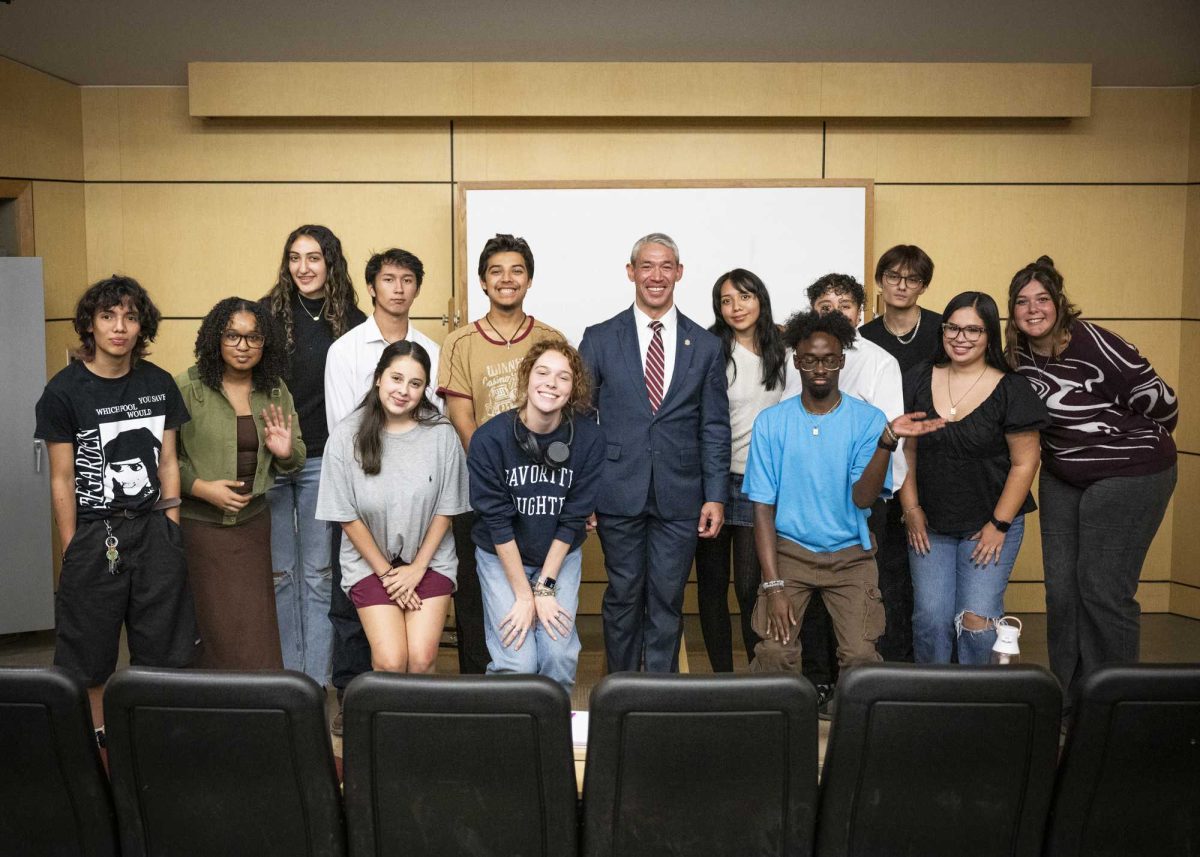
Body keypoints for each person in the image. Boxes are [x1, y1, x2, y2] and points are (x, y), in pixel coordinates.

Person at [1005, 256, 1177, 702]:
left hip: (1130, 470)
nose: (1033, 309)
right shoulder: (1016, 353)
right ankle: (1069, 698)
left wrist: (1118, 441)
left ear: (1060, 303)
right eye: (1022, 301)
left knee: (1102, 590)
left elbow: (1162, 404)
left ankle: (1113, 706)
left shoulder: (1095, 343)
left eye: (1042, 299)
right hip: (1064, 474)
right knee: (1062, 593)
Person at [34, 275, 197, 730]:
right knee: (88, 654)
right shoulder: (63, 392)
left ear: (142, 326)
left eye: (130, 316)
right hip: (94, 532)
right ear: (90, 324)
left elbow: (167, 461)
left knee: (165, 647)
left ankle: (153, 737)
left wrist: (171, 525)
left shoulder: (159, 382)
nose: (119, 326)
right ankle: (99, 739)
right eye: (108, 316)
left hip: (153, 530)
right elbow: (62, 477)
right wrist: (72, 546)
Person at [746, 311, 941, 677]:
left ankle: (852, 730)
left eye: (829, 360)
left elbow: (863, 499)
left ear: (841, 362)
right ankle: (781, 728)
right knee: (774, 654)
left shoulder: (868, 420)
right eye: (810, 360)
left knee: (861, 660)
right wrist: (773, 586)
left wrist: (887, 441)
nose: (820, 368)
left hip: (851, 556)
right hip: (791, 553)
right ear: (797, 362)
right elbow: (761, 510)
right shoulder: (771, 423)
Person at [579, 232, 731, 673]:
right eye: (647, 266)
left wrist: (716, 495)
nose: (656, 276)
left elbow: (714, 426)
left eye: (666, 266)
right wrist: (584, 493)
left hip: (681, 495)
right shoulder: (601, 337)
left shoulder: (705, 346)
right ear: (631, 272)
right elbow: (582, 423)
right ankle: (621, 689)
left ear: (679, 273)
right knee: (624, 595)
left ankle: (659, 698)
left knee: (667, 597)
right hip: (616, 492)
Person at [323, 247, 441, 730]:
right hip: (363, 496)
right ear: (371, 286)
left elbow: (429, 427)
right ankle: (356, 701)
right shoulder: (346, 349)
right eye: (388, 279)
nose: (397, 287)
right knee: (350, 612)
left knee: (417, 653)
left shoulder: (431, 349)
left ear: (416, 288)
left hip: (417, 506)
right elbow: (340, 428)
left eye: (407, 279)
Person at [437, 234, 565, 677]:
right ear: (482, 281)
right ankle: (479, 690)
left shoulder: (550, 338)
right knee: (475, 592)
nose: (506, 279)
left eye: (516, 270)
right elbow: (460, 413)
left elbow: (566, 413)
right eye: (496, 271)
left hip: (543, 492)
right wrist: (494, 472)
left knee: (535, 589)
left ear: (529, 279)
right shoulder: (460, 342)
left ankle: (532, 681)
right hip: (482, 489)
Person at [899, 292, 1048, 664]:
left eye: (973, 330)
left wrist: (999, 523)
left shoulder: (1012, 387)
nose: (960, 337)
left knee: (976, 621)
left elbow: (1025, 463)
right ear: (942, 329)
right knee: (931, 619)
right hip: (930, 522)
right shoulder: (917, 377)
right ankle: (930, 702)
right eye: (952, 327)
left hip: (989, 525)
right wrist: (911, 508)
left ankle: (976, 703)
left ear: (989, 335)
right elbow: (907, 449)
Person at [783, 273, 907, 711]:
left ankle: (851, 688)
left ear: (861, 313)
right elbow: (786, 418)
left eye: (845, 304)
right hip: (804, 497)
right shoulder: (793, 357)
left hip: (864, 498)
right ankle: (816, 680)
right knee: (809, 598)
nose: (835, 312)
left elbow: (891, 432)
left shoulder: (879, 362)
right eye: (825, 304)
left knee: (856, 596)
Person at [317, 341, 468, 674]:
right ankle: (386, 727)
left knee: (421, 658)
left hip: (430, 559)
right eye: (396, 379)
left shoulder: (441, 434)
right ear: (378, 379)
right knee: (391, 660)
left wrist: (416, 570)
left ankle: (414, 727)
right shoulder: (345, 436)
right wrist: (388, 576)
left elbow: (448, 507)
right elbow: (346, 516)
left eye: (415, 384)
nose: (403, 391)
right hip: (370, 563)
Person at [467, 340, 605, 691]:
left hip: (558, 554)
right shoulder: (488, 440)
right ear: (526, 378)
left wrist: (543, 588)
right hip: (502, 556)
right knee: (517, 661)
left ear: (573, 389)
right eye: (542, 372)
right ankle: (511, 739)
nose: (551, 383)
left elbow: (574, 519)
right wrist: (525, 596)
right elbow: (497, 523)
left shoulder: (589, 439)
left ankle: (551, 736)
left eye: (563, 377)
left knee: (558, 655)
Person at [176, 298, 305, 669]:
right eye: (233, 335)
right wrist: (202, 488)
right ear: (216, 338)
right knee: (211, 626)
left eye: (254, 338)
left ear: (266, 344)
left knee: (254, 626)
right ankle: (217, 714)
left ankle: (260, 714)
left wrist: (283, 452)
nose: (243, 346)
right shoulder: (188, 386)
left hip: (252, 525)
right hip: (201, 528)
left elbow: (295, 456)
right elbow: (164, 459)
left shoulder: (275, 389)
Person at [262, 224, 365, 685]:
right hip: (272, 458)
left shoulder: (355, 322)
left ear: (331, 263)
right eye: (294, 257)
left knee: (320, 574)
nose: (303, 267)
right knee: (282, 574)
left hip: (325, 459)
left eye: (314, 258)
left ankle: (317, 681)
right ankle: (290, 680)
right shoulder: (264, 315)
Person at [693, 269, 786, 672]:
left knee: (751, 588)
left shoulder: (782, 350)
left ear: (760, 299)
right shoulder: (708, 350)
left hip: (759, 483)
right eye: (727, 301)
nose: (736, 307)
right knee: (712, 588)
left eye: (744, 297)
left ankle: (755, 673)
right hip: (713, 480)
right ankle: (720, 676)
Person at [858, 244, 942, 374]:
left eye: (912, 280)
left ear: (923, 287)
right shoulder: (864, 336)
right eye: (893, 277)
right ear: (880, 281)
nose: (902, 286)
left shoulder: (941, 329)